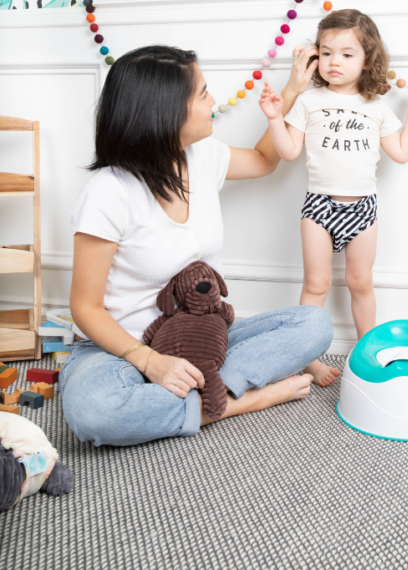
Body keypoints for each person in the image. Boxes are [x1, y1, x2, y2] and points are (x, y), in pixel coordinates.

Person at [59, 44, 333, 447]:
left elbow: (263, 160)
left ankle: (194, 396)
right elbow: (85, 307)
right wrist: (150, 361)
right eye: (203, 93)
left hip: (205, 337)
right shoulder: (108, 192)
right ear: (166, 109)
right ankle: (238, 401)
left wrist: (291, 91)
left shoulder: (203, 156)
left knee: (315, 325)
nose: (213, 102)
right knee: (95, 411)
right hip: (121, 349)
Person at [259, 9, 408, 387]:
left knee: (360, 283)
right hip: (318, 207)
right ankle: (309, 358)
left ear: (368, 59)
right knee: (315, 284)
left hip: (363, 208)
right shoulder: (308, 101)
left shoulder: (376, 108)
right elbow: (287, 152)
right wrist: (273, 118)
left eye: (348, 54)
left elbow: (401, 152)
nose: (335, 61)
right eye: (328, 52)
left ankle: (370, 350)